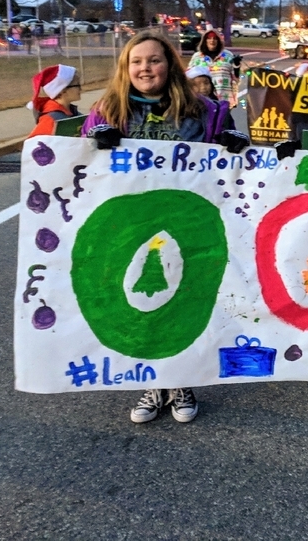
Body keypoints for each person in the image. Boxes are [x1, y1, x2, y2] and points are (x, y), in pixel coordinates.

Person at [83, 30, 249, 423]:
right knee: (143, 300)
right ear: (126, 68)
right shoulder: (108, 110)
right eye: (136, 62)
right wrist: (92, 140)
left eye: (154, 60)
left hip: (188, 226)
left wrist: (236, 144)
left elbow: (233, 164)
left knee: (183, 300)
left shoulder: (204, 111)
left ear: (170, 66)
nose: (145, 68)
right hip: (129, 229)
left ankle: (182, 379)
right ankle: (152, 382)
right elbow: (80, 167)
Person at [27, 65, 82, 138]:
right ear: (63, 90)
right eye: (77, 85)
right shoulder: (50, 119)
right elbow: (34, 145)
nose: (80, 89)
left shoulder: (73, 113)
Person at [188, 30, 239, 107]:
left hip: (224, 100)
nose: (212, 40)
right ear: (205, 40)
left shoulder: (228, 55)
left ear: (219, 41)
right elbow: (189, 78)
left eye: (215, 38)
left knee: (222, 119)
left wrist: (236, 66)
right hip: (202, 100)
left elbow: (236, 79)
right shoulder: (197, 57)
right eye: (209, 38)